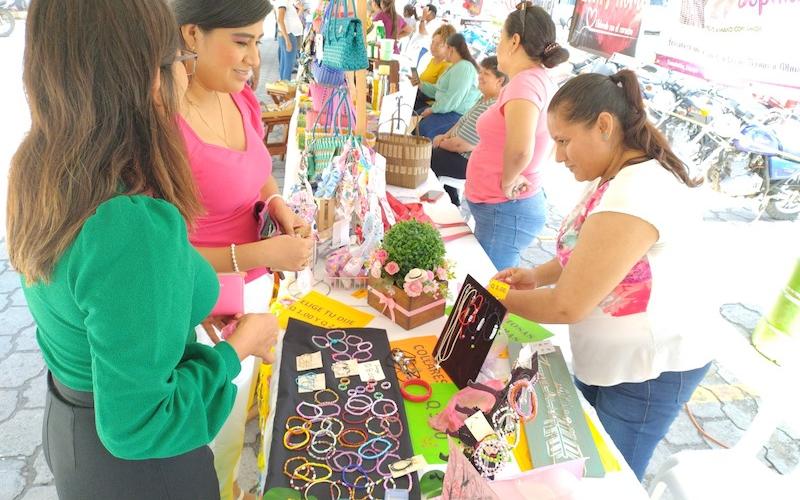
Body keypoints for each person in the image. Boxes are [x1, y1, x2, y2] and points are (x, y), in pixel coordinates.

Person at [6, 1, 279, 499]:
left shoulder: (41, 163)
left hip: (74, 430)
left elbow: (101, 305)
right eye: (179, 61)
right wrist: (236, 350)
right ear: (150, 80)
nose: (184, 74)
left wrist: (185, 304)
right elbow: (143, 421)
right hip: (142, 470)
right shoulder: (129, 222)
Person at [494, 69, 713, 480]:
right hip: (611, 361)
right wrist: (536, 276)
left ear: (605, 126)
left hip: (647, 370)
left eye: (563, 141)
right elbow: (589, 251)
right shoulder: (614, 176)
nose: (558, 156)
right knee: (584, 453)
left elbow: (567, 305)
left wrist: (492, 301)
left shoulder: (637, 190)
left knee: (606, 477)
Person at [172, 1, 314, 499]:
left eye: (258, 41)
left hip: (249, 294)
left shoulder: (240, 98)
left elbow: (255, 178)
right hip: (198, 311)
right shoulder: (164, 124)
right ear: (191, 33)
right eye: (241, 41)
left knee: (242, 418)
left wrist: (276, 206)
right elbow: (166, 260)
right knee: (213, 433)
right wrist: (263, 256)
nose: (254, 59)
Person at [464, 4, 568, 270]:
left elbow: (522, 149)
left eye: (500, 38)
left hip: (505, 208)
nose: (497, 46)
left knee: (488, 292)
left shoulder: (525, 83)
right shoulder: (535, 80)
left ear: (514, 41)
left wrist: (508, 181)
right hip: (502, 208)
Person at [430, 56, 507, 206]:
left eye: (486, 74)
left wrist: (440, 142)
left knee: (427, 157)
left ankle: (437, 203)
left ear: (500, 81)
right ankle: (450, 199)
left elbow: (462, 145)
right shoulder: (483, 99)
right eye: (481, 72)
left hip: (466, 161)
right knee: (432, 149)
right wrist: (444, 137)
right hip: (458, 153)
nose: (480, 77)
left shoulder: (490, 107)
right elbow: (459, 125)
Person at [417, 33, 481, 139]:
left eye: (444, 47)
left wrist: (433, 109)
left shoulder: (464, 67)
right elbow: (438, 91)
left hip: (453, 114)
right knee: (412, 118)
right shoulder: (455, 66)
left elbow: (453, 98)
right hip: (445, 109)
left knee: (420, 129)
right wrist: (420, 84)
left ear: (450, 49)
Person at [410, 23, 457, 111]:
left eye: (438, 44)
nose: (433, 46)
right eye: (432, 42)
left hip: (425, 104)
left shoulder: (447, 66)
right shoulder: (433, 60)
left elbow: (438, 92)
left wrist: (419, 83)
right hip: (417, 96)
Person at [275, 0, 304, 81]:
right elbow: (280, 20)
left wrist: (300, 9)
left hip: (289, 35)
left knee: (284, 64)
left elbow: (292, 19)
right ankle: (285, 87)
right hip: (288, 35)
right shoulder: (283, 2)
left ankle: (283, 87)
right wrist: (287, 40)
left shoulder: (287, 2)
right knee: (288, 66)